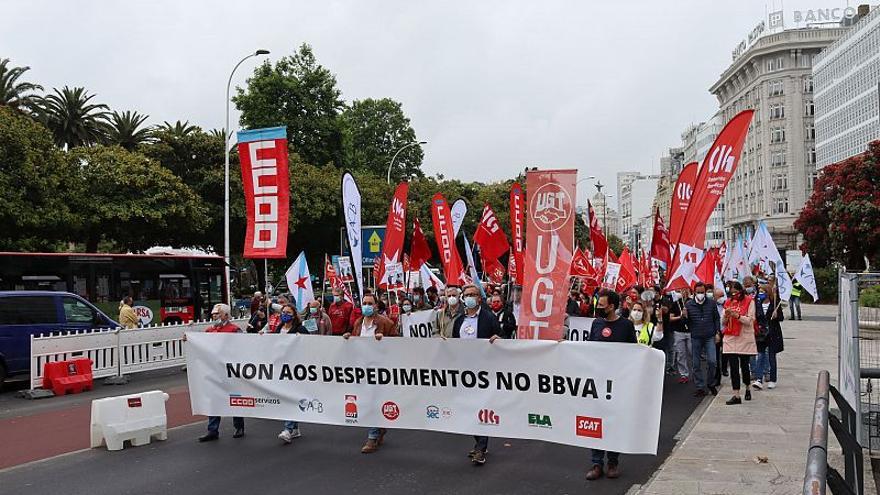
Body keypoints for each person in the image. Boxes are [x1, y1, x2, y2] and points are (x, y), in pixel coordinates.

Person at [586, 289, 636, 481]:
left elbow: (633, 354)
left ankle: (613, 462)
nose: (598, 308)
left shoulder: (626, 326)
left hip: (618, 383)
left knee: (613, 422)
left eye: (601, 305)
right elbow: (589, 349)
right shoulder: (596, 323)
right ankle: (596, 463)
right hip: (597, 382)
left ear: (612, 307)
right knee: (596, 422)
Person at [451, 284, 502, 465]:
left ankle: (481, 448)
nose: (470, 297)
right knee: (469, 408)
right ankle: (479, 442)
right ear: (463, 298)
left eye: (473, 294)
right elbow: (454, 344)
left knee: (481, 407)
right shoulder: (459, 320)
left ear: (479, 298)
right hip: (464, 372)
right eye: (467, 295)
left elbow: (500, 336)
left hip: (483, 371)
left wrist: (497, 339)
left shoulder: (488, 318)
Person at [342, 294, 398, 453]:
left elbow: (398, 344)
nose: (367, 306)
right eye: (364, 303)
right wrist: (349, 338)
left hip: (380, 369)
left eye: (370, 303)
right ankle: (380, 427)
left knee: (374, 400)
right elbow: (356, 342)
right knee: (367, 400)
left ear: (376, 306)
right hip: (362, 368)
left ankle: (372, 437)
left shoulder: (386, 323)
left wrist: (384, 340)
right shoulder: (359, 322)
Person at [198, 304, 245, 441]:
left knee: (234, 399)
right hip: (214, 371)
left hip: (231, 371)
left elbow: (244, 348)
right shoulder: (209, 331)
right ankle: (213, 430)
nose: (214, 316)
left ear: (226, 315)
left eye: (217, 314)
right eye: (213, 314)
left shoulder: (234, 330)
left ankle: (239, 426)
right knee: (213, 400)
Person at [274, 304, 311, 443]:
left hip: (296, 369)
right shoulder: (279, 328)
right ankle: (294, 429)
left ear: (294, 315)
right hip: (281, 368)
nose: (285, 314)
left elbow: (310, 344)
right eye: (283, 312)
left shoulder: (300, 329)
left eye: (288, 312)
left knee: (291, 397)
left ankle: (288, 429)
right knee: (288, 397)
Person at [722, 281, 757, 405]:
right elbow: (723, 322)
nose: (734, 295)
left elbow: (750, 320)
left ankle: (747, 387)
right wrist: (726, 316)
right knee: (734, 368)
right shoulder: (728, 302)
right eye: (731, 293)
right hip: (731, 338)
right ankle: (736, 394)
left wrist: (737, 316)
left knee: (744, 366)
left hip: (744, 337)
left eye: (735, 292)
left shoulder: (749, 301)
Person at [686, 282, 721, 397]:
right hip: (696, 337)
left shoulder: (711, 303)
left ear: (705, 292)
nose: (700, 294)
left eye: (702, 292)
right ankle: (700, 387)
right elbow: (685, 323)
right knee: (696, 364)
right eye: (698, 292)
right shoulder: (689, 305)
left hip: (709, 336)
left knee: (712, 361)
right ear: (694, 292)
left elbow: (716, 318)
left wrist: (717, 332)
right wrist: (684, 316)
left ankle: (710, 383)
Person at [752, 284, 784, 390]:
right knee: (760, 356)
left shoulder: (774, 304)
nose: (761, 293)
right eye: (760, 291)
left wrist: (776, 315)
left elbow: (781, 318)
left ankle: (772, 379)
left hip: (773, 333)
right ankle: (759, 379)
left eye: (763, 291)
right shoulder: (757, 304)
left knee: (771, 357)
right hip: (761, 334)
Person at [668, 291, 690, 383]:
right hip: (678, 332)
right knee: (681, 354)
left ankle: (697, 372)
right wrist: (680, 317)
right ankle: (684, 374)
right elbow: (670, 318)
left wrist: (688, 315)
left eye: (684, 289)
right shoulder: (675, 302)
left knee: (692, 352)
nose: (682, 292)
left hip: (690, 331)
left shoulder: (691, 302)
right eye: (680, 290)